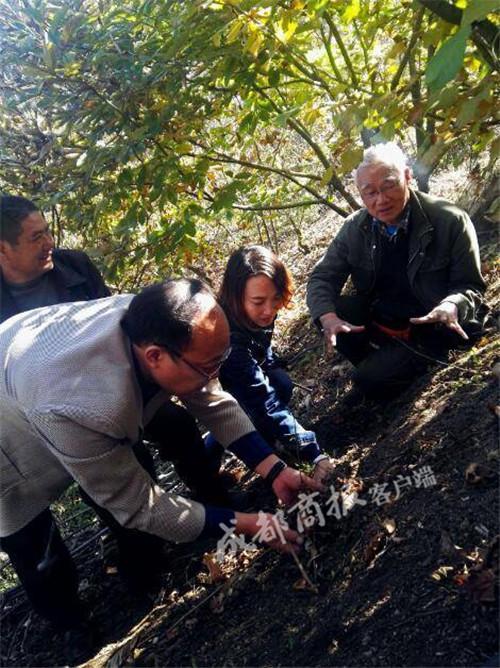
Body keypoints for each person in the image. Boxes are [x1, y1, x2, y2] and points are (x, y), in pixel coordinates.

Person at [0, 278, 323, 662]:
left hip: (38, 387)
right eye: (208, 366)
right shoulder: (87, 404)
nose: (213, 375)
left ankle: (141, 569)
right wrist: (249, 524)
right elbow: (138, 505)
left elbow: (212, 400)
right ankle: (72, 624)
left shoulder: (158, 316)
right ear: (155, 357)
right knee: (31, 539)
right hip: (9, 442)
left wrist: (273, 469)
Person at [306, 142, 487, 399]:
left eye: (389, 185)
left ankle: (404, 365)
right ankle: (385, 361)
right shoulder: (356, 228)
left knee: (368, 381)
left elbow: (470, 285)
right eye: (369, 192)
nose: (380, 200)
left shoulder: (449, 219)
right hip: (385, 323)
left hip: (434, 328)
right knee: (334, 308)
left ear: (407, 176)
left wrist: (452, 304)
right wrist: (327, 318)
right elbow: (322, 277)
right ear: (360, 194)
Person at [218, 245, 334, 483]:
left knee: (280, 382)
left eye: (276, 299)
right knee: (240, 415)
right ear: (235, 296)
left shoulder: (258, 312)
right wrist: (313, 452)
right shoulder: (226, 339)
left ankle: (267, 436)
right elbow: (263, 401)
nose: (269, 311)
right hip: (207, 391)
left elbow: (262, 347)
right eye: (258, 302)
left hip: (244, 375)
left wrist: (269, 365)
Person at [0, 194, 110, 323]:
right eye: (36, 237)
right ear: (3, 249)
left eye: (47, 231)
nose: (50, 243)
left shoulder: (76, 266)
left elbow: (111, 322)